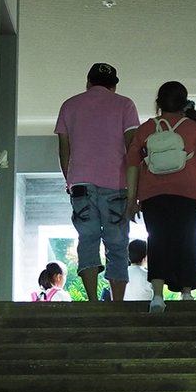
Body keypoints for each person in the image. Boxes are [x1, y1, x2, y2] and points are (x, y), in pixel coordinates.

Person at [122, 81, 196, 313]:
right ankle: (186, 293)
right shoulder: (193, 129)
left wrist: (131, 199)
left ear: (158, 103)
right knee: (187, 238)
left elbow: (132, 165)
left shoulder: (145, 129)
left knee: (157, 240)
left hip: (154, 194)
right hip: (189, 193)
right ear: (184, 102)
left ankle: (157, 296)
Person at [54, 62, 141, 301]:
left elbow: (64, 149)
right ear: (114, 86)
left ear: (88, 82)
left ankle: (93, 301)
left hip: (80, 184)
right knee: (117, 244)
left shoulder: (69, 105)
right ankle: (117, 302)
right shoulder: (125, 104)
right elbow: (133, 148)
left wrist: (70, 181)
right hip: (117, 183)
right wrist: (136, 192)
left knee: (88, 240)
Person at [125, 238, 155, 302]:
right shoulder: (149, 276)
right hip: (145, 310)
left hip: (124, 309)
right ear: (146, 256)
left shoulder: (122, 274)